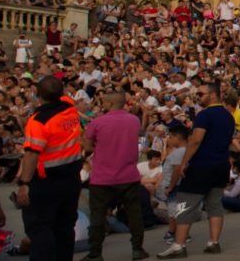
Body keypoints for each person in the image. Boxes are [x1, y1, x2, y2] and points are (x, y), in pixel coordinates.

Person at [157, 81, 235, 259]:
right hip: (221, 164)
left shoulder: (204, 115)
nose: (197, 97)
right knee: (215, 204)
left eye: (200, 94)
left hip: (202, 164)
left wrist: (185, 161)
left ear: (212, 95)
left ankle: (179, 245)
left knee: (185, 205)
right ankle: (213, 242)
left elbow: (196, 140)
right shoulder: (228, 115)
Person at [20, 76, 84, 261]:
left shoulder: (38, 120)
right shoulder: (70, 108)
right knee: (64, 229)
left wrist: (24, 182)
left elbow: (32, 154)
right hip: (71, 179)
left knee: (41, 232)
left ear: (37, 94)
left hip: (45, 183)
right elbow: (61, 94)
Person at [84, 91, 146, 261]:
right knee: (134, 214)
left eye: (103, 102)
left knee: (97, 214)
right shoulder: (134, 120)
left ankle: (95, 253)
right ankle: (137, 249)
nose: (101, 105)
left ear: (110, 104)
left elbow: (88, 146)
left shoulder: (97, 122)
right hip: (129, 175)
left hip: (102, 176)